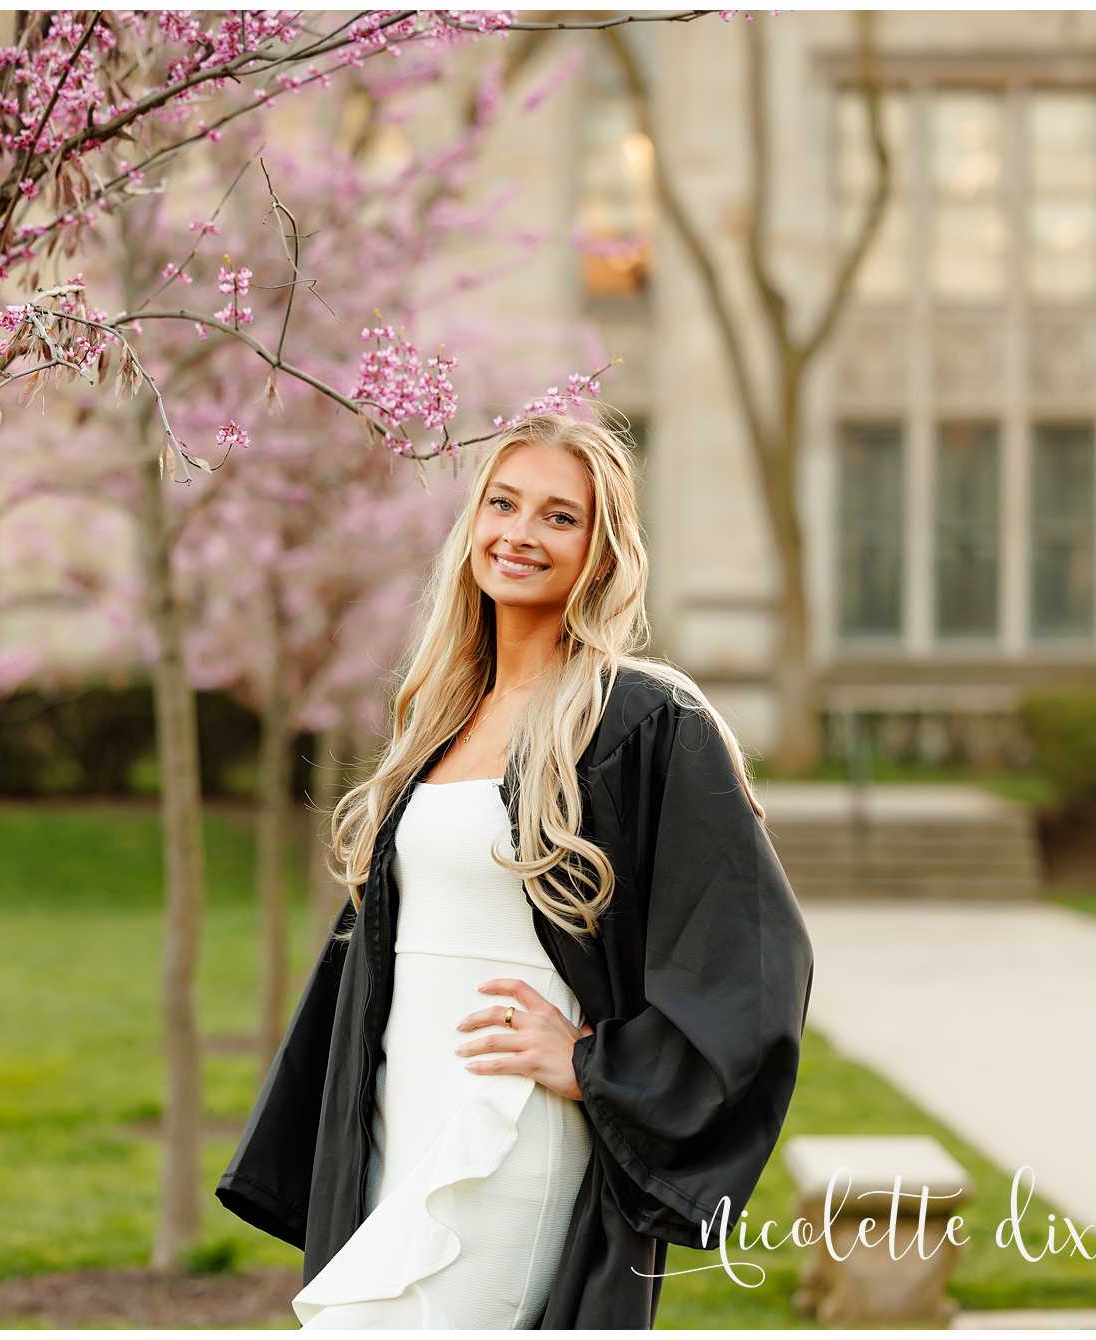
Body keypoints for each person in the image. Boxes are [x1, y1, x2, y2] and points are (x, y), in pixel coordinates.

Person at [215, 411, 815, 1328]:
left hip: (510, 1128)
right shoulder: (444, 719)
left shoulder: (643, 724)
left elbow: (755, 959)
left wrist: (595, 1066)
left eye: (559, 516)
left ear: (603, 554)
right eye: (503, 503)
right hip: (396, 1115)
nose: (521, 533)